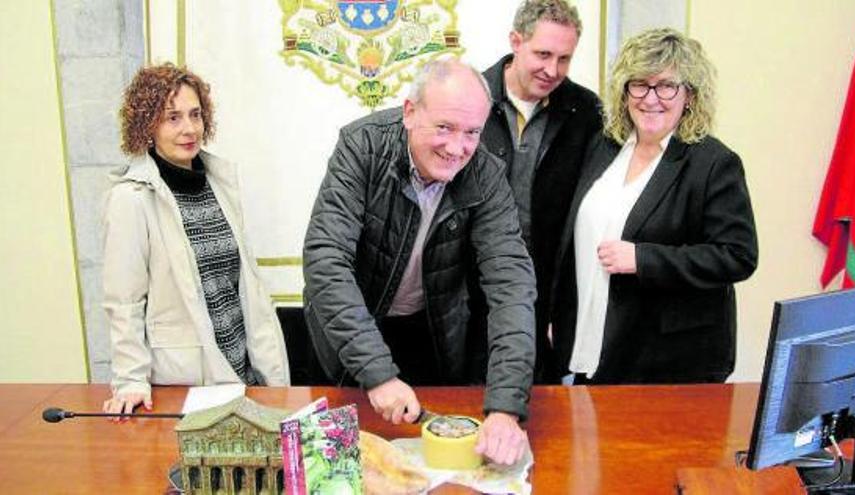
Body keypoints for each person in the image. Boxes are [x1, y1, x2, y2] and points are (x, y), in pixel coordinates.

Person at [303, 59, 536, 465]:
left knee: (427, 464)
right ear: (410, 112)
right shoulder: (362, 146)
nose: (457, 147)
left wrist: (504, 408)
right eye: (444, 127)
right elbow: (326, 260)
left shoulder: (486, 173)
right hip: (352, 332)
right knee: (347, 467)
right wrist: (377, 373)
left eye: (472, 133)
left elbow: (511, 284)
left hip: (432, 334)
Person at [551, 28, 758, 385]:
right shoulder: (604, 147)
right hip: (590, 341)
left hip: (667, 359)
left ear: (689, 95)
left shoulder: (713, 162)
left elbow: (738, 255)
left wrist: (643, 258)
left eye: (666, 86)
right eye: (639, 84)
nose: (651, 98)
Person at [102, 64, 290, 417]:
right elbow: (124, 302)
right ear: (147, 126)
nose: (189, 129)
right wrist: (130, 380)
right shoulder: (131, 198)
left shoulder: (219, 182)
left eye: (195, 115)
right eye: (172, 118)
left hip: (244, 367)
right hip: (186, 380)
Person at [480, 0, 603, 383]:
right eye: (543, 54)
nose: (553, 70)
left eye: (564, 58)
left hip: (546, 293)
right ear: (516, 41)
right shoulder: (472, 97)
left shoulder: (587, 111)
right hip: (474, 286)